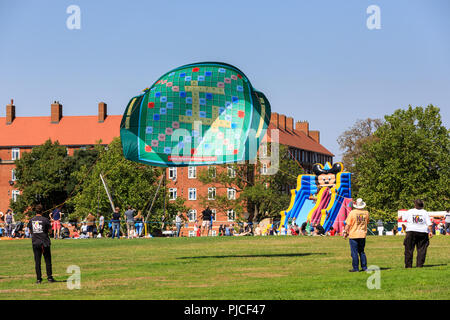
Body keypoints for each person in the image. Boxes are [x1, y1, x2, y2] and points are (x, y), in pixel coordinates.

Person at [28, 204, 56, 284]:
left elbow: (30, 231)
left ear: (35, 211)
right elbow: (50, 231)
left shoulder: (31, 220)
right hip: (44, 242)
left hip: (35, 243)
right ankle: (50, 278)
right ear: (42, 211)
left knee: (37, 262)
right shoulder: (45, 220)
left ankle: (38, 279)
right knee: (47, 261)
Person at [401, 199, 433, 268]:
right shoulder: (425, 212)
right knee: (422, 249)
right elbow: (429, 224)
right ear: (422, 205)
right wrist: (430, 232)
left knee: (409, 249)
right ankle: (419, 265)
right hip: (423, 232)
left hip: (411, 232)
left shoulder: (410, 211)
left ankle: (408, 266)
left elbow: (402, 218)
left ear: (415, 205)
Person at [343, 198, 369, 272]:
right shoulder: (366, 213)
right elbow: (367, 222)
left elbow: (348, 224)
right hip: (362, 234)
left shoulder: (352, 212)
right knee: (362, 251)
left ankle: (356, 268)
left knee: (354, 252)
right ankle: (364, 267)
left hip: (354, 234)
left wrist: (345, 232)